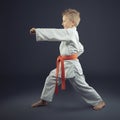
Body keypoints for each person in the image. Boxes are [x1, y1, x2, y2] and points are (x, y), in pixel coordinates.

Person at [30, 8, 106, 110]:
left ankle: (99, 102)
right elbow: (80, 47)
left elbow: (54, 33)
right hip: (65, 64)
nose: (62, 23)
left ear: (72, 23)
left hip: (72, 66)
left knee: (81, 86)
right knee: (51, 78)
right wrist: (74, 54)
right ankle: (44, 100)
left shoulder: (70, 33)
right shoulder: (71, 34)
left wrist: (38, 31)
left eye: (64, 21)